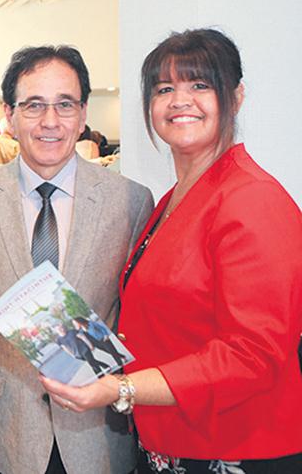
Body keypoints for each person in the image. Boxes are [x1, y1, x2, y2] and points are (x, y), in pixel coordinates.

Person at [41, 29, 302, 473]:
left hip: (235, 446)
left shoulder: (252, 198)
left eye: (200, 85)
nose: (180, 100)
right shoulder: (174, 197)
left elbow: (251, 354)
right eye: (165, 89)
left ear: (235, 97)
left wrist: (122, 390)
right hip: (173, 439)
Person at [0, 45, 154, 474]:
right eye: (34, 105)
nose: (50, 121)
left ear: (83, 112)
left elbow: (139, 318)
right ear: (10, 113)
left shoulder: (129, 200)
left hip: (99, 429)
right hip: (6, 426)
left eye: (64, 104)